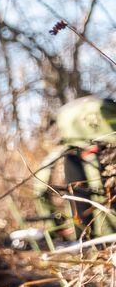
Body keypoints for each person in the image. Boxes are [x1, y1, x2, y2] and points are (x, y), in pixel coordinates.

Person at [29, 95, 116, 246]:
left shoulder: (69, 154)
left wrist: (54, 226)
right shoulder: (78, 153)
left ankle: (88, 241)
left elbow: (41, 190)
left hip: (89, 241)